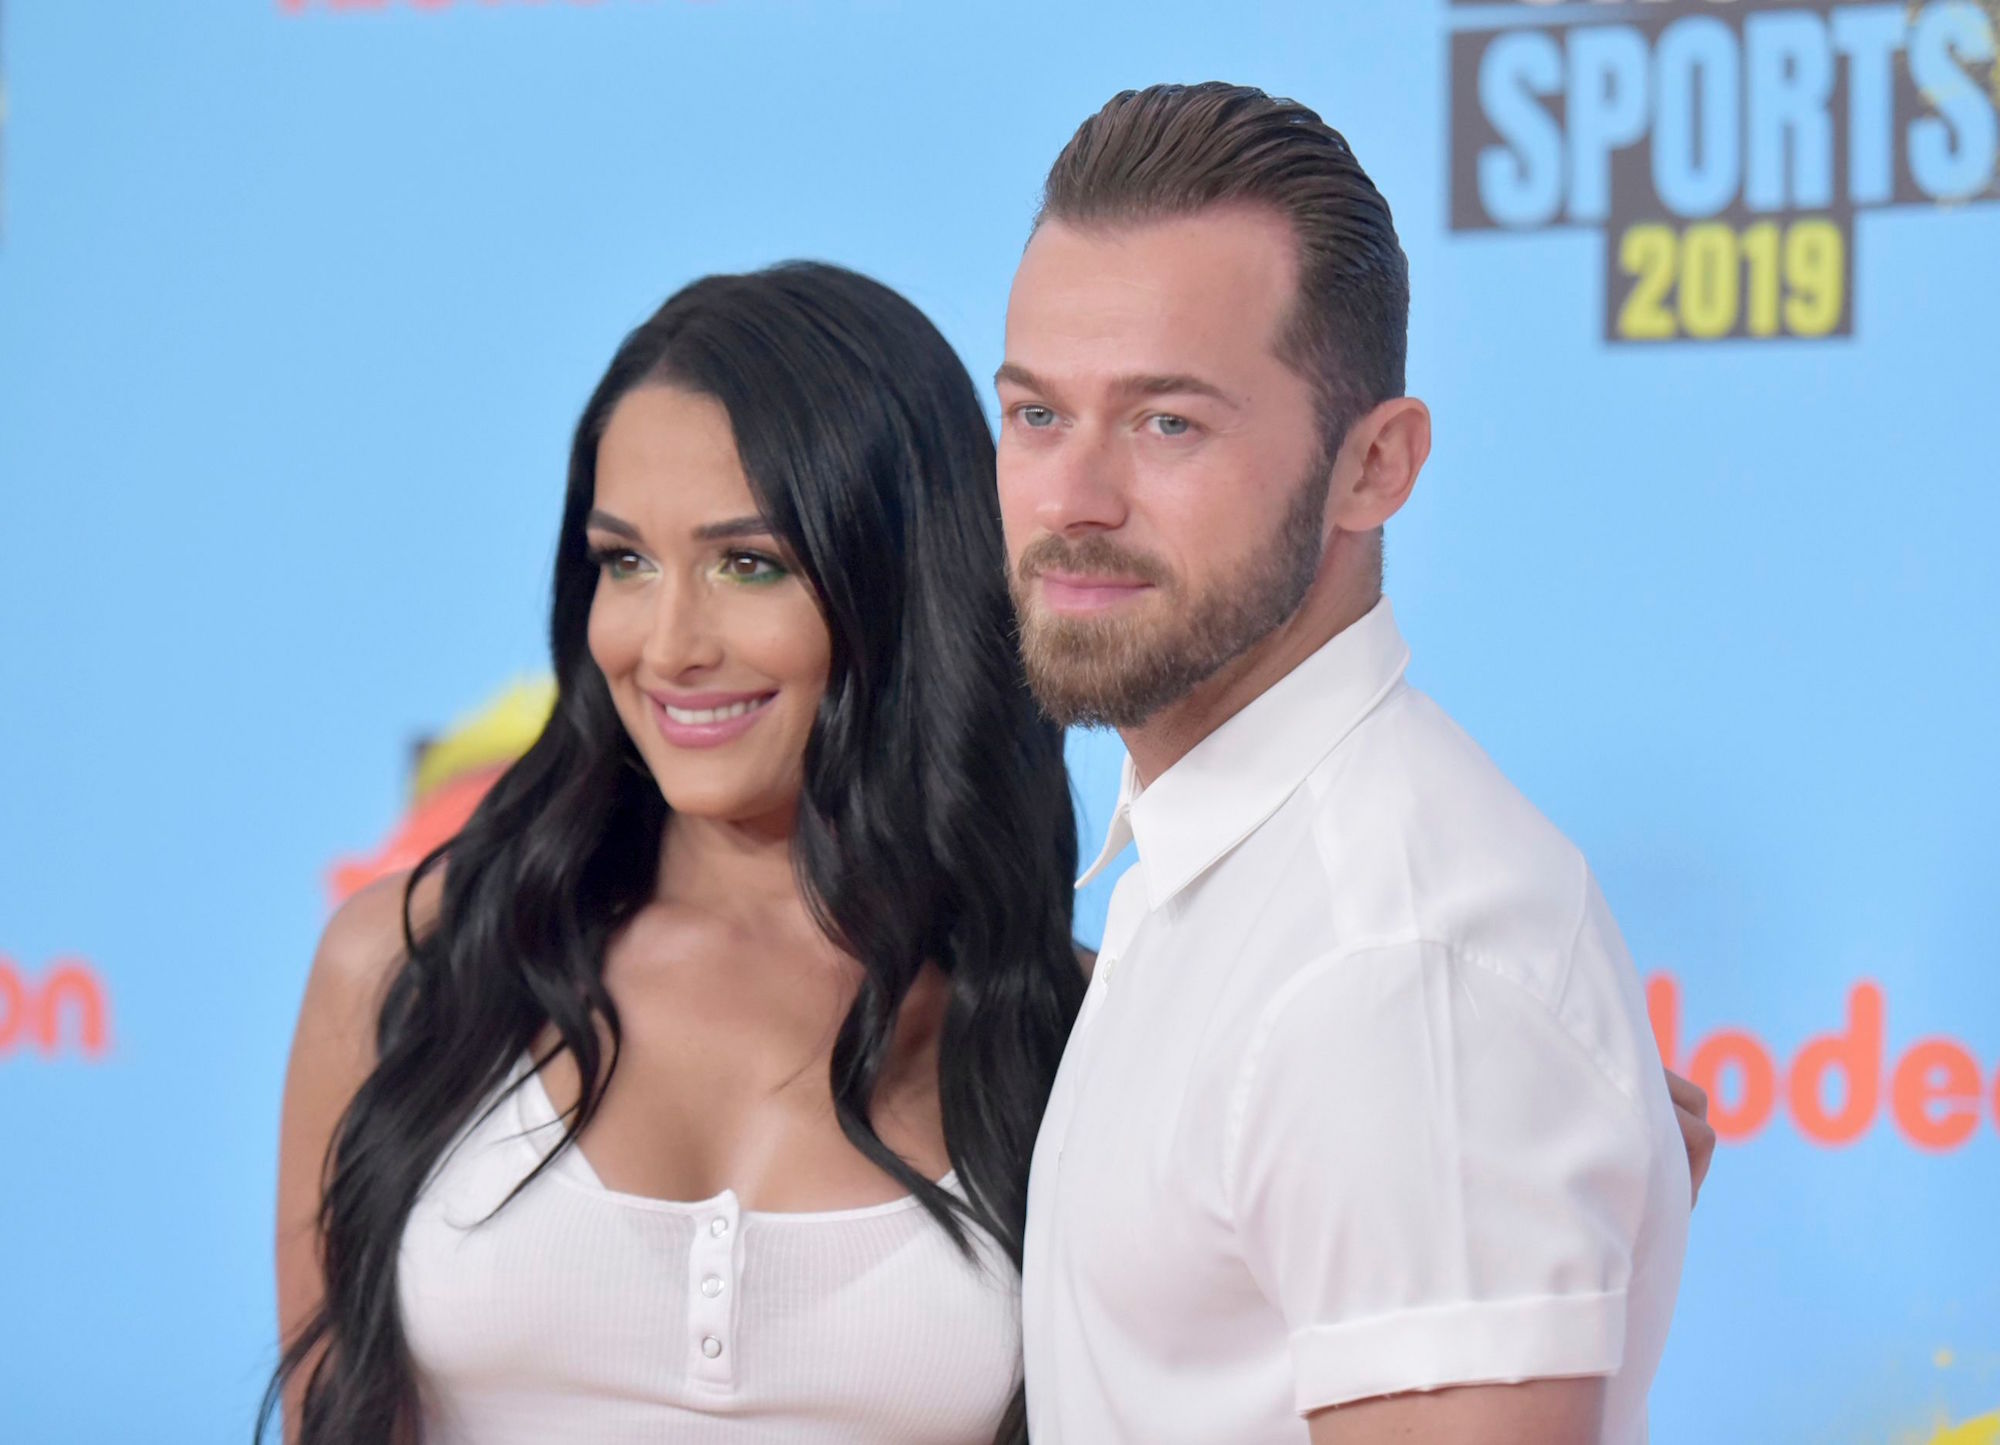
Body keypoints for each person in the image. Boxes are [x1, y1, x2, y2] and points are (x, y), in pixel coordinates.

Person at [266, 261, 1084, 1445]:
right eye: (625, 562)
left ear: (900, 584)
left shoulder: (1065, 1029)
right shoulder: (406, 966)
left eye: (747, 563)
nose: (667, 642)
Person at [999, 84, 1692, 1443]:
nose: (1073, 499)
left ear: (1375, 466)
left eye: (1166, 423)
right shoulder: (1228, 874)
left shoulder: (1392, 963)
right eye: (1035, 416)